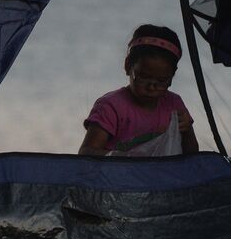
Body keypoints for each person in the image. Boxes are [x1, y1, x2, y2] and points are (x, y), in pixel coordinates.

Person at [79, 24, 200, 157]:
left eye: (161, 81)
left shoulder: (174, 104)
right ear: (127, 66)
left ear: (172, 76)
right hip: (116, 176)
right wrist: (124, 158)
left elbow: (191, 155)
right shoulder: (111, 106)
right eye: (144, 77)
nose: (151, 87)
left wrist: (187, 130)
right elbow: (86, 153)